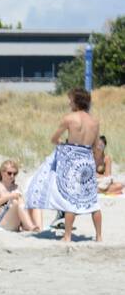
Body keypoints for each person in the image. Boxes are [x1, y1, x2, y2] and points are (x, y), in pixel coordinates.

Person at [23, 89, 103, 242]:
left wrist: (64, 145)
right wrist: (97, 162)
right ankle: (99, 236)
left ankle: (67, 236)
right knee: (93, 201)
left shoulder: (69, 119)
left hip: (72, 162)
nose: (68, 102)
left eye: (70, 100)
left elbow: (54, 138)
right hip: (87, 161)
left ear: (76, 101)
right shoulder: (94, 122)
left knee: (70, 199)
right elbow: (96, 146)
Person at [0, 160, 40, 232]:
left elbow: (22, 207)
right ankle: (31, 227)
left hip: (17, 223)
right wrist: (9, 196)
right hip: (4, 222)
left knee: (35, 204)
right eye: (9, 173)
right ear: (2, 173)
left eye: (15, 174)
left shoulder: (16, 187)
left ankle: (38, 228)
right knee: (15, 201)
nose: (12, 176)